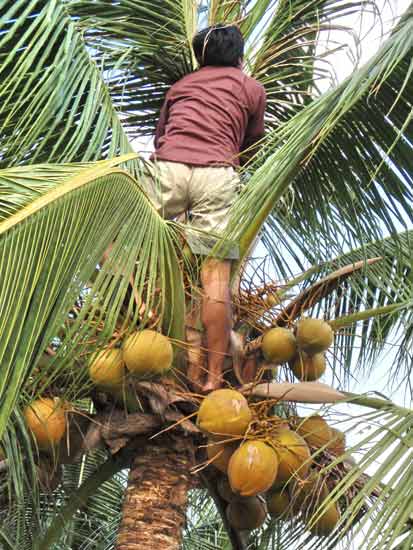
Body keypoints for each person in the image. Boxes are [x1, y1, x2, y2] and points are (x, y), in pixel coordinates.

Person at [146, 24, 266, 392]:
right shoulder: (251, 89)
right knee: (215, 279)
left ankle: (144, 309)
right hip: (217, 175)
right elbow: (252, 146)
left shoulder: (181, 86)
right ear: (240, 57)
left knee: (128, 234)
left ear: (201, 57)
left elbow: (160, 136)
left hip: (171, 168)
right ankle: (212, 378)